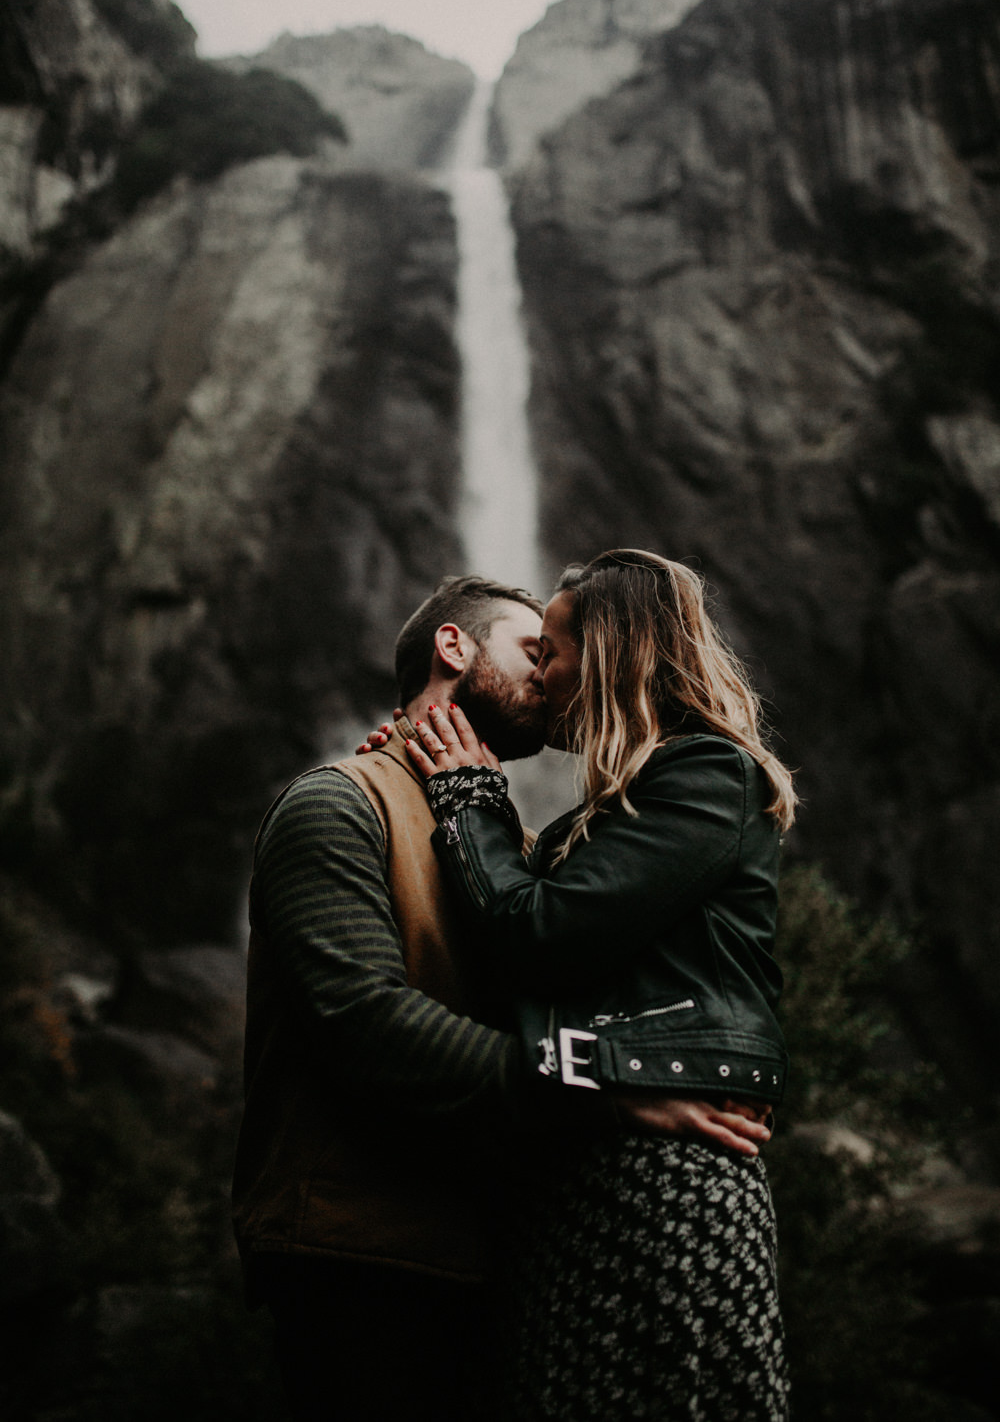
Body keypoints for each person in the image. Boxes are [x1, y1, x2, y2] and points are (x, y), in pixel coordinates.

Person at [233, 572, 775, 1422]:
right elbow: (366, 1026)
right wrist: (606, 1094)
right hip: (364, 1256)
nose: (557, 677)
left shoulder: (501, 844)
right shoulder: (335, 804)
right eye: (537, 651)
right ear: (454, 647)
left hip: (503, 1257)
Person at [405, 550, 795, 1421]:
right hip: (598, 1173)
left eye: (549, 648)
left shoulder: (707, 776)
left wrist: (469, 797)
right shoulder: (618, 806)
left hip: (664, 1185)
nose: (536, 672)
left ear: (613, 651)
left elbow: (541, 939)